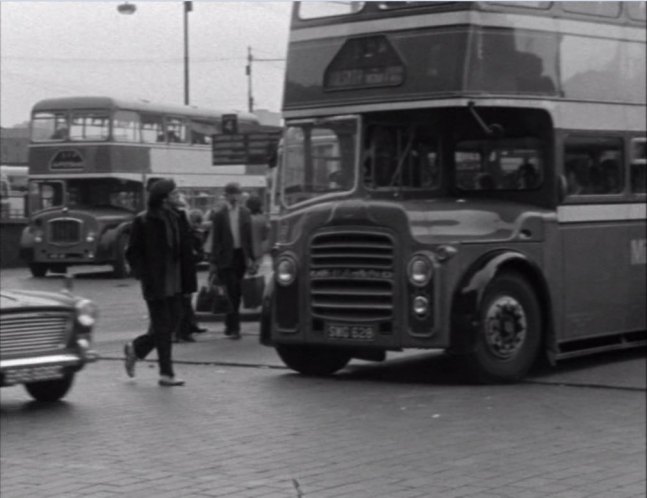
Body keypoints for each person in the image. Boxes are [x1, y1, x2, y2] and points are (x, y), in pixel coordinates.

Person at [123, 178, 196, 386]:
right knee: (163, 327)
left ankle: (136, 349)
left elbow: (185, 249)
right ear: (164, 199)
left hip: (176, 281)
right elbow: (133, 252)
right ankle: (166, 374)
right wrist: (144, 274)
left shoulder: (179, 217)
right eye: (174, 194)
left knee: (172, 323)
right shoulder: (144, 220)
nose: (178, 197)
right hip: (156, 282)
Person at [209, 182, 258, 339]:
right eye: (233, 194)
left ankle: (230, 325)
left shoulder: (245, 212)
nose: (236, 197)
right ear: (227, 195)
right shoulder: (219, 214)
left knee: (236, 292)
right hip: (225, 257)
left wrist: (252, 258)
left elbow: (248, 238)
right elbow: (216, 240)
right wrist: (214, 262)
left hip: (240, 256)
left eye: (238, 193)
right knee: (231, 291)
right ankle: (234, 327)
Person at [245, 195, 270, 261]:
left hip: (246, 254)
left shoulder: (245, 218)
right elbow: (265, 237)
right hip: (259, 252)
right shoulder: (263, 219)